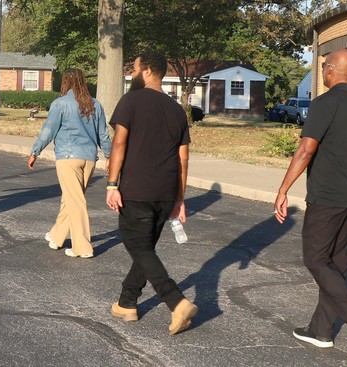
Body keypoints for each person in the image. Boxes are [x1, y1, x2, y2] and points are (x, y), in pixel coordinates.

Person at [273, 49, 347, 357]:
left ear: (332, 70)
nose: (323, 70)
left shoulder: (324, 104)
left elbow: (306, 149)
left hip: (327, 196)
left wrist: (283, 189)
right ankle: (321, 330)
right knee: (335, 263)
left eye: (324, 66)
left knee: (315, 259)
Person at [105, 49, 197, 335]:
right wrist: (179, 198)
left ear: (146, 71)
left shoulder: (131, 100)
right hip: (165, 192)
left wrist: (111, 184)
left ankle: (177, 301)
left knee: (139, 246)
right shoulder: (177, 110)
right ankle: (127, 302)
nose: (132, 73)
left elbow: (119, 144)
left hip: (137, 190)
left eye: (134, 68)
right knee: (144, 249)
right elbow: (183, 159)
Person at [28, 69, 112, 258]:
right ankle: (57, 236)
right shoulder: (95, 104)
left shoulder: (60, 104)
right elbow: (103, 135)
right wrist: (110, 156)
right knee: (70, 199)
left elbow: (48, 131)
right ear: (83, 82)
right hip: (89, 159)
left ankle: (82, 247)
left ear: (65, 82)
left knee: (75, 201)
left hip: (68, 157)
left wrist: (35, 151)